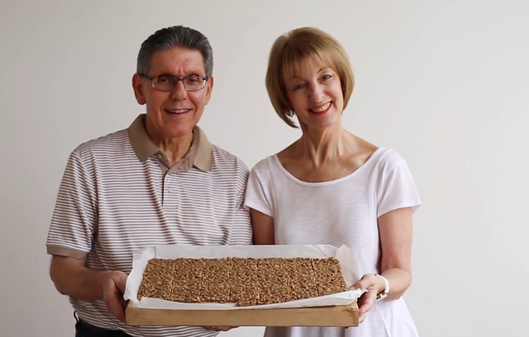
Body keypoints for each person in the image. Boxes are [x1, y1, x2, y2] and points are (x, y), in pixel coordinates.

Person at [46, 25, 252, 337]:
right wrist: (102, 283)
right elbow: (63, 272)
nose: (180, 94)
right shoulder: (89, 162)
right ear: (140, 88)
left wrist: (237, 311)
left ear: (208, 90)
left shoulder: (235, 173)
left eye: (193, 80)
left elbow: (239, 277)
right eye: (164, 79)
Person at [244, 27, 421, 337]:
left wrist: (379, 284)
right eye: (300, 85)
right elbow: (266, 276)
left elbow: (401, 272)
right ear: (286, 98)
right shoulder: (265, 177)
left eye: (325, 77)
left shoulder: (384, 168)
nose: (316, 94)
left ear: (341, 80)